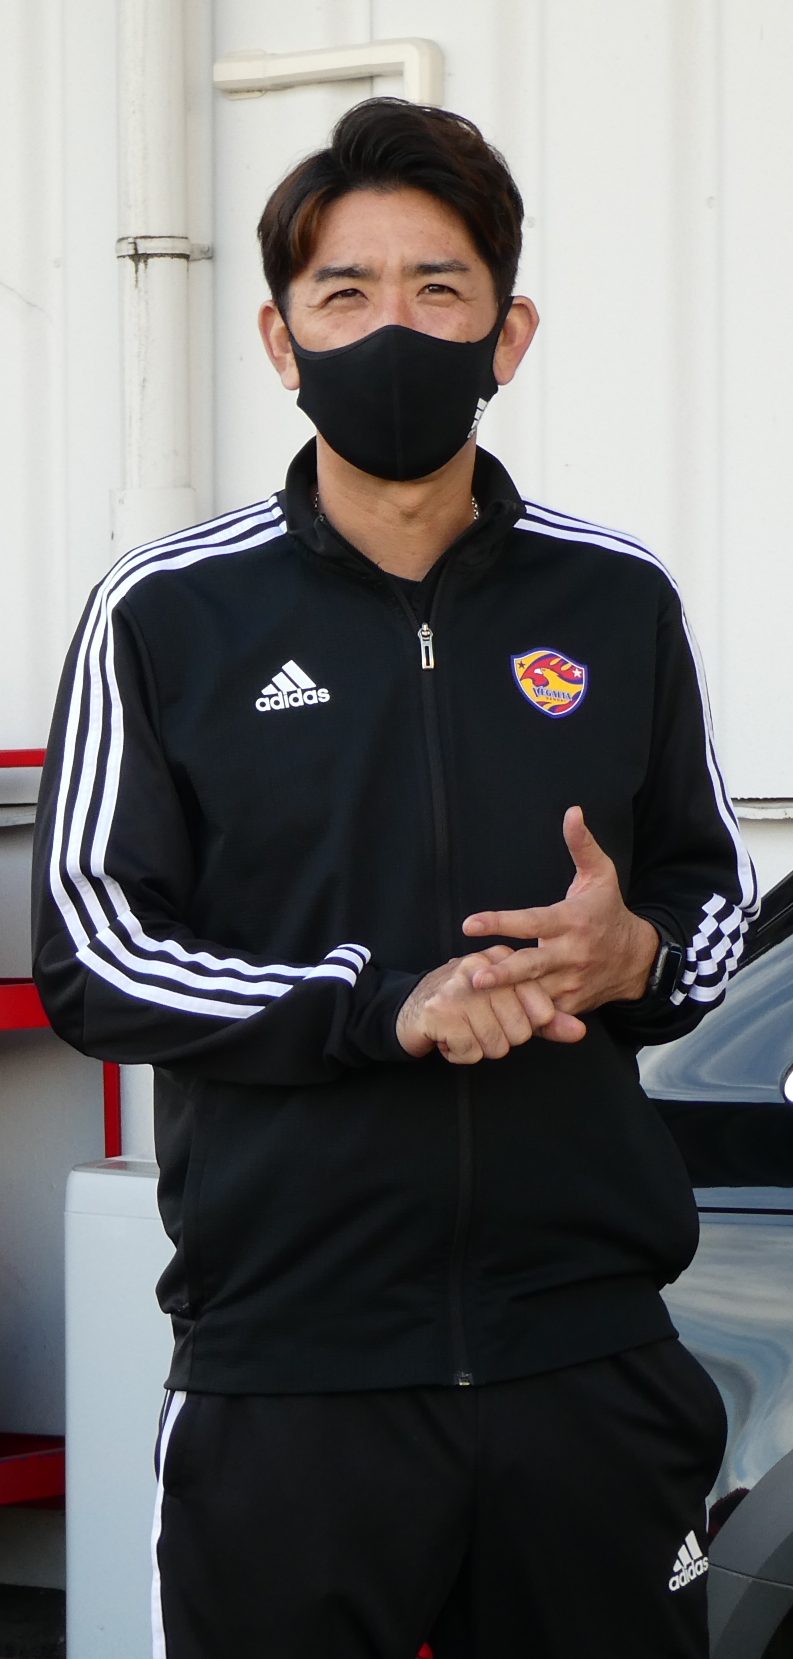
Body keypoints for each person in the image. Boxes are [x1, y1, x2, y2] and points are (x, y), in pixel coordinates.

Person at [32, 97, 757, 1659]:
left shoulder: (616, 598)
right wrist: (381, 1008)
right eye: (343, 293)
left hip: (587, 1365)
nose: (392, 329)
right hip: (290, 1372)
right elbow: (96, 950)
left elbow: (710, 905)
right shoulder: (165, 614)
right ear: (279, 339)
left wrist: (630, 956)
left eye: (438, 290)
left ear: (509, 333)